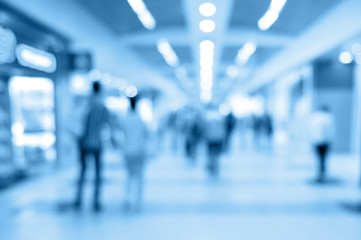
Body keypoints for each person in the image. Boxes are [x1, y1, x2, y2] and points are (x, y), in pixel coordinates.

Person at [73, 81, 112, 211]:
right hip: (97, 144)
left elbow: (79, 122)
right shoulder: (102, 106)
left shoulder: (86, 104)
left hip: (84, 142)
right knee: (97, 173)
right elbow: (108, 124)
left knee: (83, 171)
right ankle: (96, 201)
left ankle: (78, 198)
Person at [116, 96, 149, 212]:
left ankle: (128, 198)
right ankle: (138, 201)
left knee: (129, 176)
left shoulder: (125, 119)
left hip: (128, 151)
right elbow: (147, 134)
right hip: (139, 151)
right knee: (139, 177)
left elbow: (120, 134)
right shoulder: (140, 120)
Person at [309, 105, 335, 183]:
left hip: (317, 141)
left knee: (319, 158)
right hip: (326, 141)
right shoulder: (329, 118)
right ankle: (322, 174)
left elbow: (311, 129)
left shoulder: (314, 117)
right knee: (323, 159)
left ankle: (319, 174)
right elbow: (331, 130)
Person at [204, 106, 226, 177]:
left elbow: (205, 130)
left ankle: (211, 165)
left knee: (210, 154)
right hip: (218, 139)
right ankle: (216, 166)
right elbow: (223, 130)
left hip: (210, 138)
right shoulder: (220, 118)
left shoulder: (208, 118)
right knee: (216, 154)